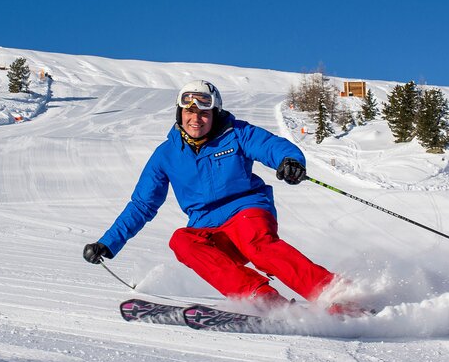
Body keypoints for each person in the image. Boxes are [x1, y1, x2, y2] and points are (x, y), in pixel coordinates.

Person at [83, 80, 338, 308]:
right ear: (179, 113)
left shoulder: (236, 133)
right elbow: (142, 204)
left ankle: (335, 293)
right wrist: (108, 242)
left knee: (256, 244)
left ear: (214, 114)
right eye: (189, 111)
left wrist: (290, 161)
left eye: (204, 113)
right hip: (209, 229)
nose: (196, 119)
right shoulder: (166, 154)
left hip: (246, 211)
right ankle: (259, 298)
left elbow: (271, 146)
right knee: (181, 240)